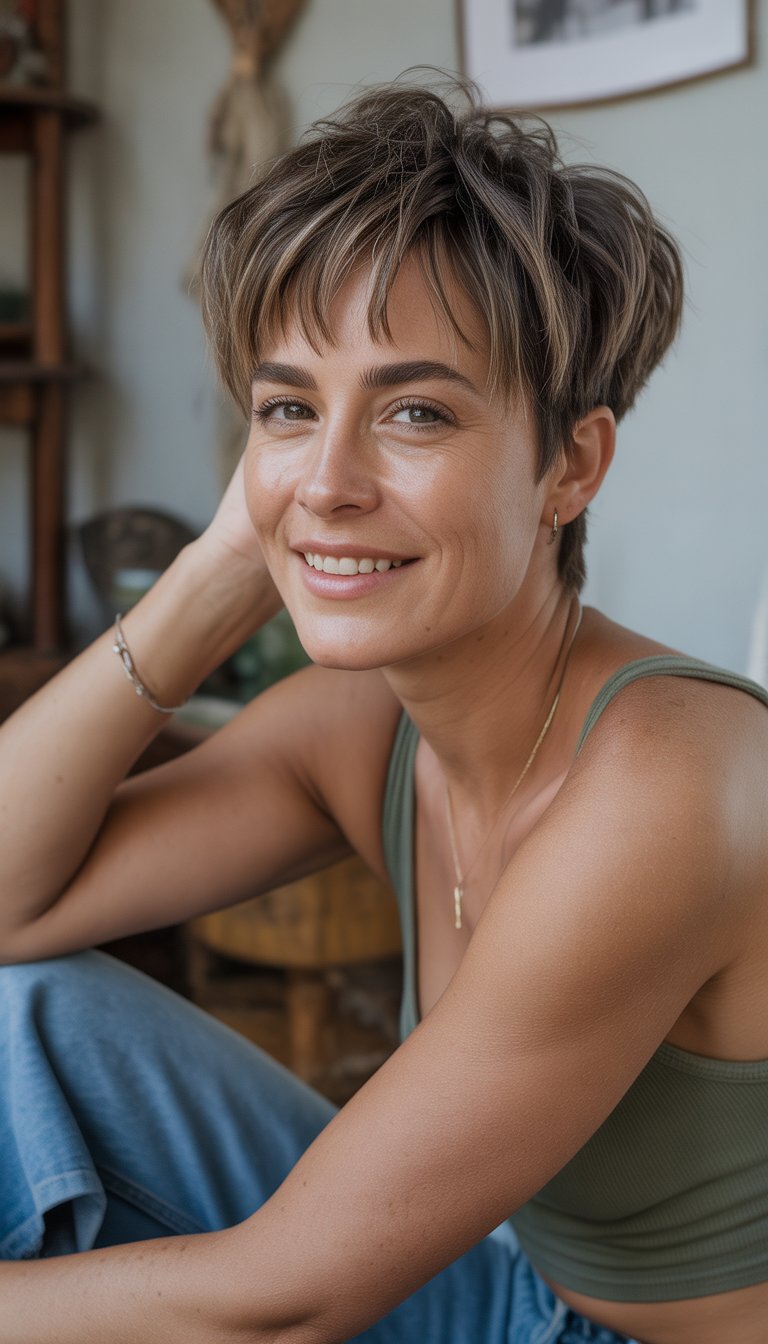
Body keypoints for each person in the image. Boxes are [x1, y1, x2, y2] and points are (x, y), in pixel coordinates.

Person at [0, 78, 766, 1344]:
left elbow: (289, 1300)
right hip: (507, 1288)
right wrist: (222, 570)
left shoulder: (668, 781)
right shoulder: (362, 725)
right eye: (291, 407)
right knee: (25, 1017)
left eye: (415, 411)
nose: (332, 478)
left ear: (570, 464)